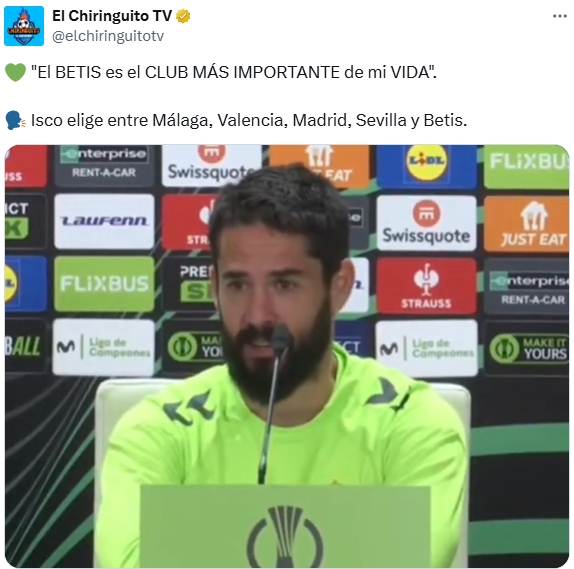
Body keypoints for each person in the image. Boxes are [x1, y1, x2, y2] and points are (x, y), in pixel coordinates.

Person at [95, 164, 468, 568]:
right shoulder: (158, 429)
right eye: (238, 284)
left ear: (339, 286)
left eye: (285, 285)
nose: (258, 315)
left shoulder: (412, 423)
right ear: (215, 286)